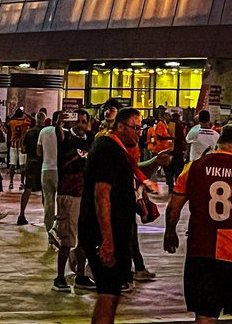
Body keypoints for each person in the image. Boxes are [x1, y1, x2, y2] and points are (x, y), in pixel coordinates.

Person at [164, 123, 232, 324]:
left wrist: (170, 232)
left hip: (201, 250)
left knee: (205, 315)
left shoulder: (195, 166)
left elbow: (174, 205)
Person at [78, 107, 143, 324]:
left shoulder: (119, 150)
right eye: (135, 128)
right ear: (121, 126)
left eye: (140, 128)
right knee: (108, 293)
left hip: (115, 232)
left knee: (112, 292)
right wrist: (107, 240)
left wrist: (156, 163)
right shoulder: (107, 149)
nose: (138, 133)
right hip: (103, 233)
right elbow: (101, 194)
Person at [50, 109, 93, 293]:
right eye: (78, 121)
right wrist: (59, 122)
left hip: (85, 195)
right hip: (68, 194)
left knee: (84, 238)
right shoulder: (66, 138)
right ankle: (60, 277)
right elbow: (59, 133)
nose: (81, 125)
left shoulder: (90, 141)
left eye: (84, 121)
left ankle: (81, 275)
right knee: (67, 239)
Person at [38, 110, 62, 243]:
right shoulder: (65, 132)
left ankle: (49, 233)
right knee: (62, 203)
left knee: (49, 203)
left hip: (46, 170)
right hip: (60, 171)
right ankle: (57, 230)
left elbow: (39, 151)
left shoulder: (43, 131)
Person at [17, 113, 42, 225]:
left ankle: (21, 214)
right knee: (46, 192)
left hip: (30, 163)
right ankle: (48, 216)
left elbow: (23, 149)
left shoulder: (29, 132)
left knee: (27, 189)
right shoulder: (45, 132)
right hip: (42, 163)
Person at [7, 108, 29, 190]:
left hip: (13, 145)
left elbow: (7, 122)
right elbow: (33, 121)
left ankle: (11, 182)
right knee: (22, 165)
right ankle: (22, 183)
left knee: (12, 165)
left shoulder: (12, 122)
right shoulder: (25, 122)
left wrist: (13, 116)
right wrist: (26, 113)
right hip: (22, 145)